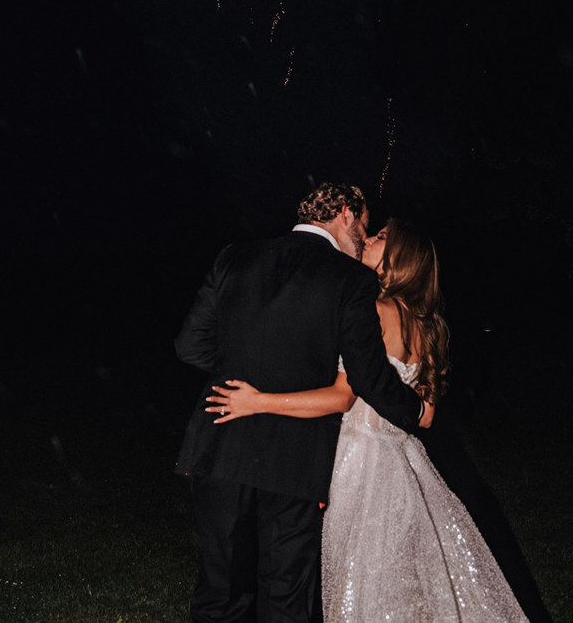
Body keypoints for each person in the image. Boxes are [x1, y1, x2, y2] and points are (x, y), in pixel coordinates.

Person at [207, 218, 531, 623]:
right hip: (404, 465)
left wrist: (259, 401)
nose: (369, 238)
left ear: (397, 259)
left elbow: (342, 397)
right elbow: (425, 417)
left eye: (379, 238)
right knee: (400, 582)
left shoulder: (371, 309)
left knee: (350, 579)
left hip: (356, 464)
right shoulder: (428, 325)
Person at [174, 183, 424, 623]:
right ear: (346, 214)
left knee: (219, 591)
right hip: (294, 456)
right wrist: (416, 412)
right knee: (285, 596)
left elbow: (189, 346)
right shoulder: (352, 279)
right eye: (365, 226)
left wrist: (242, 364)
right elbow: (368, 375)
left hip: (223, 441)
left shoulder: (235, 256)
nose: (364, 239)